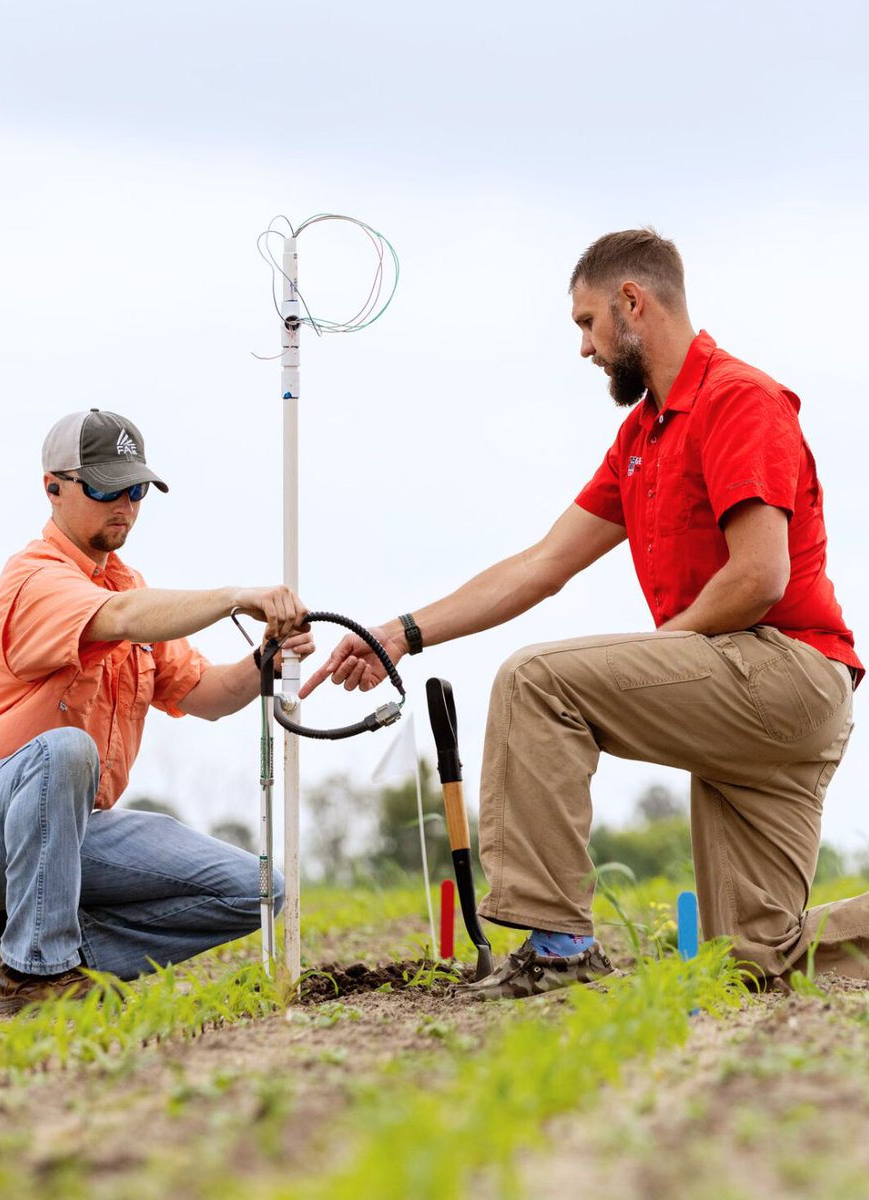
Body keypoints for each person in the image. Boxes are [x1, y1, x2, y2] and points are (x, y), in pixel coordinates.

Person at [303, 228, 865, 999]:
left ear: (632, 303)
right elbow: (541, 566)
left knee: (539, 682)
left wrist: (662, 654)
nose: (584, 348)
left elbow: (760, 576)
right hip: (756, 699)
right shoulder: (640, 438)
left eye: (586, 322)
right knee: (759, 958)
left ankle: (560, 943)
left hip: (784, 672)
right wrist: (399, 634)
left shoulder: (740, 400)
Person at [0, 408, 313, 1014]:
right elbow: (122, 619)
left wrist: (264, 660)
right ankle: (35, 977)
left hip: (67, 833)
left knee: (257, 889)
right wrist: (238, 597)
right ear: (52, 485)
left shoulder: (129, 586)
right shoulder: (36, 578)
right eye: (106, 487)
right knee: (65, 748)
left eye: (136, 490)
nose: (125, 505)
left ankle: (44, 945)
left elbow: (206, 693)